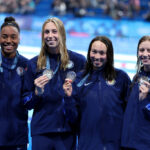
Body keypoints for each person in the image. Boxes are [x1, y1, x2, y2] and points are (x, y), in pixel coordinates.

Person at [22, 17, 86, 150]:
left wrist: (70, 96)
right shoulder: (33, 64)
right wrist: (36, 93)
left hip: (67, 131)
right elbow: (26, 103)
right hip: (42, 131)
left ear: (62, 34)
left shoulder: (79, 61)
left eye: (54, 31)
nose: (50, 36)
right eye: (47, 32)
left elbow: (83, 98)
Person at [63, 36, 131, 150]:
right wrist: (68, 98)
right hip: (88, 145)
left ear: (109, 55)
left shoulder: (121, 78)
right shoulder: (79, 79)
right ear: (89, 52)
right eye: (94, 52)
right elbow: (73, 119)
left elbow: (130, 113)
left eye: (102, 53)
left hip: (114, 146)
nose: (97, 57)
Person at [0, 17, 28, 150]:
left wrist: (37, 93)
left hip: (17, 135)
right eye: (4, 37)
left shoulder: (27, 65)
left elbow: (29, 101)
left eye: (13, 37)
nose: (9, 41)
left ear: (19, 39)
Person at [121, 35, 150, 150]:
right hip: (128, 142)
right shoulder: (137, 78)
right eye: (142, 50)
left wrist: (145, 102)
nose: (145, 53)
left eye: (149, 50)